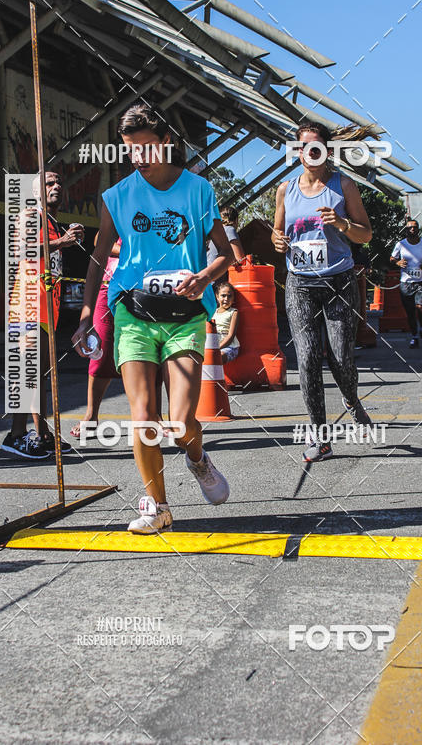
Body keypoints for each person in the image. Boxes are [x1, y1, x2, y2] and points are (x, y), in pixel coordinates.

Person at [72, 101, 235, 533]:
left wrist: (203, 277)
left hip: (182, 318)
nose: (139, 158)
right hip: (133, 314)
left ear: (166, 142)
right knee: (142, 417)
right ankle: (156, 506)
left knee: (180, 422)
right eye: (131, 150)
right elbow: (96, 257)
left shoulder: (198, 190)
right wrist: (89, 312)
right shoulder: (118, 196)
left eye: (146, 148)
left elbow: (228, 254)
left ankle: (198, 459)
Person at [272, 121, 373, 463]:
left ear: (326, 151)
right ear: (298, 151)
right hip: (300, 284)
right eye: (304, 147)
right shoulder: (286, 190)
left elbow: (366, 235)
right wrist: (278, 241)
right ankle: (320, 436)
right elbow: (276, 232)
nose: (310, 153)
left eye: (316, 146)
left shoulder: (343, 185)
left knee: (342, 358)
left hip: (339, 282)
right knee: (309, 358)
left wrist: (343, 224)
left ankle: (351, 399)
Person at [2, 171, 83, 459]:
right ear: (36, 192)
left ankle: (28, 434)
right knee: (32, 374)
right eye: (49, 183)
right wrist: (62, 242)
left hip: (47, 308)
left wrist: (65, 239)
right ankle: (30, 435)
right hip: (27, 305)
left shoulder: (50, 222)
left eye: (60, 182)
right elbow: (22, 251)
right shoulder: (29, 215)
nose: (57, 186)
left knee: (36, 374)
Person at [70, 236, 122, 439]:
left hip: (141, 288)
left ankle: (154, 417)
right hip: (108, 287)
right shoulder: (121, 205)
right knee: (99, 352)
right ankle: (91, 416)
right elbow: (101, 240)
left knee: (149, 352)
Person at [391, 219, 422, 348]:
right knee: (410, 311)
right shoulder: (401, 244)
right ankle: (414, 336)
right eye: (410, 227)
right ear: (406, 230)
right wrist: (398, 262)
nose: (413, 229)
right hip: (406, 283)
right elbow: (392, 258)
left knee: (421, 308)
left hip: (421, 282)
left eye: (415, 227)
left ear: (418, 229)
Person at [206, 205, 245, 286]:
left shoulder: (216, 234)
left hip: (208, 279)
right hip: (217, 283)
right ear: (236, 220)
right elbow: (241, 260)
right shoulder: (229, 230)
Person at [212, 282, 240, 363]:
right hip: (214, 347)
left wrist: (216, 348)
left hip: (230, 347)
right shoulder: (213, 313)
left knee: (216, 357)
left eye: (229, 296)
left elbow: (231, 336)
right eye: (223, 295)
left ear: (233, 298)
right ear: (217, 296)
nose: (226, 299)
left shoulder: (233, 312)